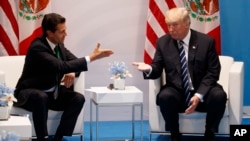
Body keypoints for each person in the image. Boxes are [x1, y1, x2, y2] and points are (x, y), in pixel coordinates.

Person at [14, 13, 113, 141]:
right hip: (29, 94)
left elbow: (74, 63)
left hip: (51, 94)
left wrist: (72, 72)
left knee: (78, 98)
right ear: (50, 33)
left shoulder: (59, 45)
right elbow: (60, 66)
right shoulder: (38, 47)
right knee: (41, 97)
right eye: (62, 31)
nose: (66, 34)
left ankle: (59, 137)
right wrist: (92, 57)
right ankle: (41, 138)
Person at [133, 7, 227, 141]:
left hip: (203, 91)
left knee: (219, 96)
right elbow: (157, 68)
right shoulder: (163, 42)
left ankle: (209, 132)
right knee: (165, 96)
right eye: (168, 25)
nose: (171, 29)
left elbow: (213, 72)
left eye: (175, 25)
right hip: (177, 92)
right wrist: (149, 69)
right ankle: (174, 134)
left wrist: (199, 95)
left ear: (187, 23)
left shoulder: (206, 42)